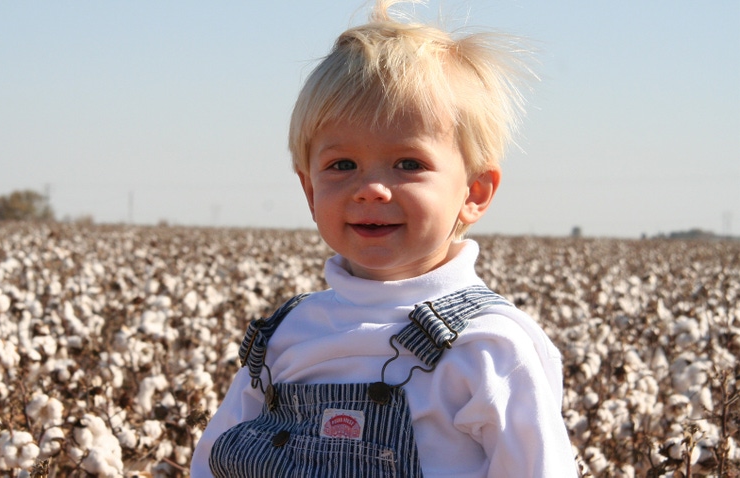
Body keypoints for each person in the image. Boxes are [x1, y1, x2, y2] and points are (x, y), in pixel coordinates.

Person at [191, 0, 578, 476]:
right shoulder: (286, 335)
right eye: (342, 165)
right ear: (310, 190)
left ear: (474, 193)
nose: (371, 189)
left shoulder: (490, 347)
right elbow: (213, 462)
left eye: (408, 164)